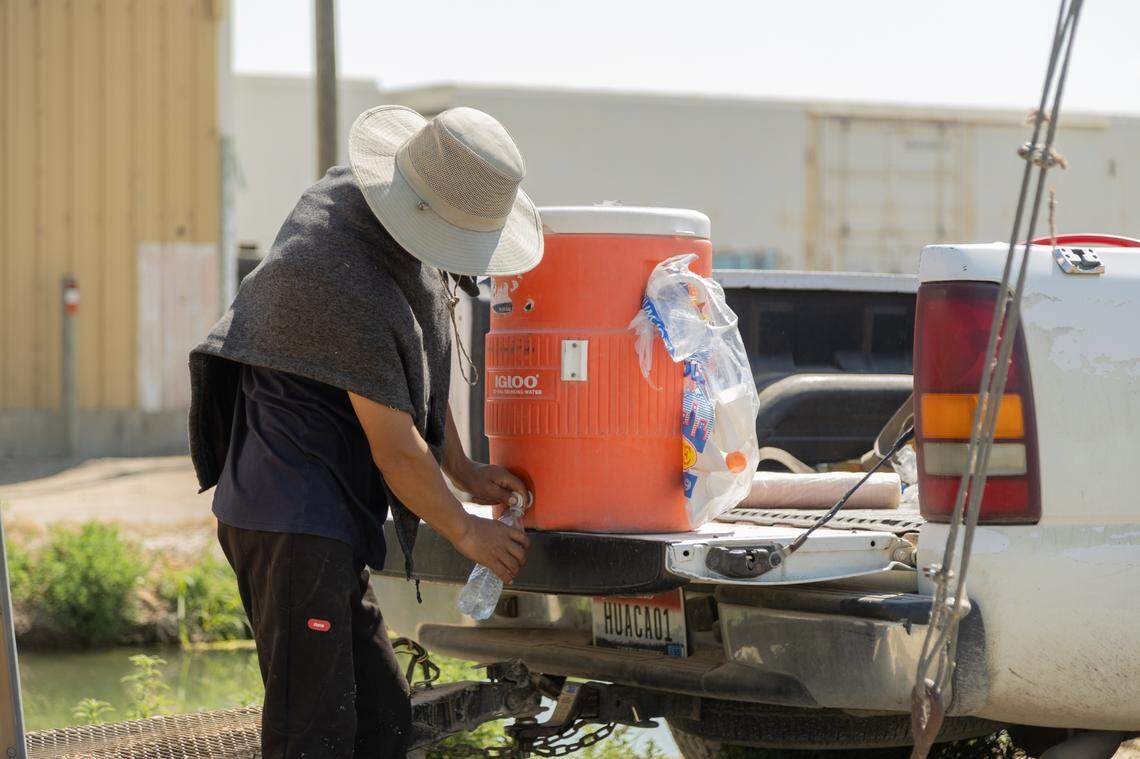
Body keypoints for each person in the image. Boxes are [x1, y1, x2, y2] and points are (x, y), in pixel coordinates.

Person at [188, 105, 544, 758]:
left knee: (382, 722)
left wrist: (464, 472)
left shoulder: (347, 202)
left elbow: (412, 386)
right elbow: (399, 451)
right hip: (291, 522)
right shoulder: (352, 291)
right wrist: (469, 530)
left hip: (319, 520)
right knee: (313, 736)